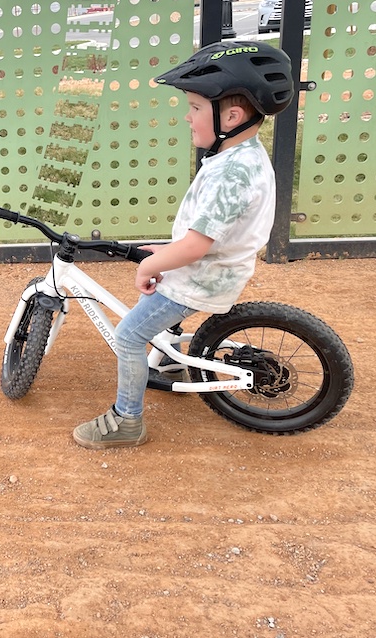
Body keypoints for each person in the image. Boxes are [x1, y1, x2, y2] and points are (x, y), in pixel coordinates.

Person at [73, 41, 295, 449]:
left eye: (194, 108)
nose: (187, 116)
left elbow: (195, 247)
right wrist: (168, 250)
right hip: (210, 267)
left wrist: (149, 265)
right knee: (154, 318)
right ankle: (172, 361)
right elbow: (204, 235)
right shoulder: (238, 156)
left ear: (231, 115)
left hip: (201, 277)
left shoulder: (233, 173)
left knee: (128, 337)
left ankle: (127, 420)